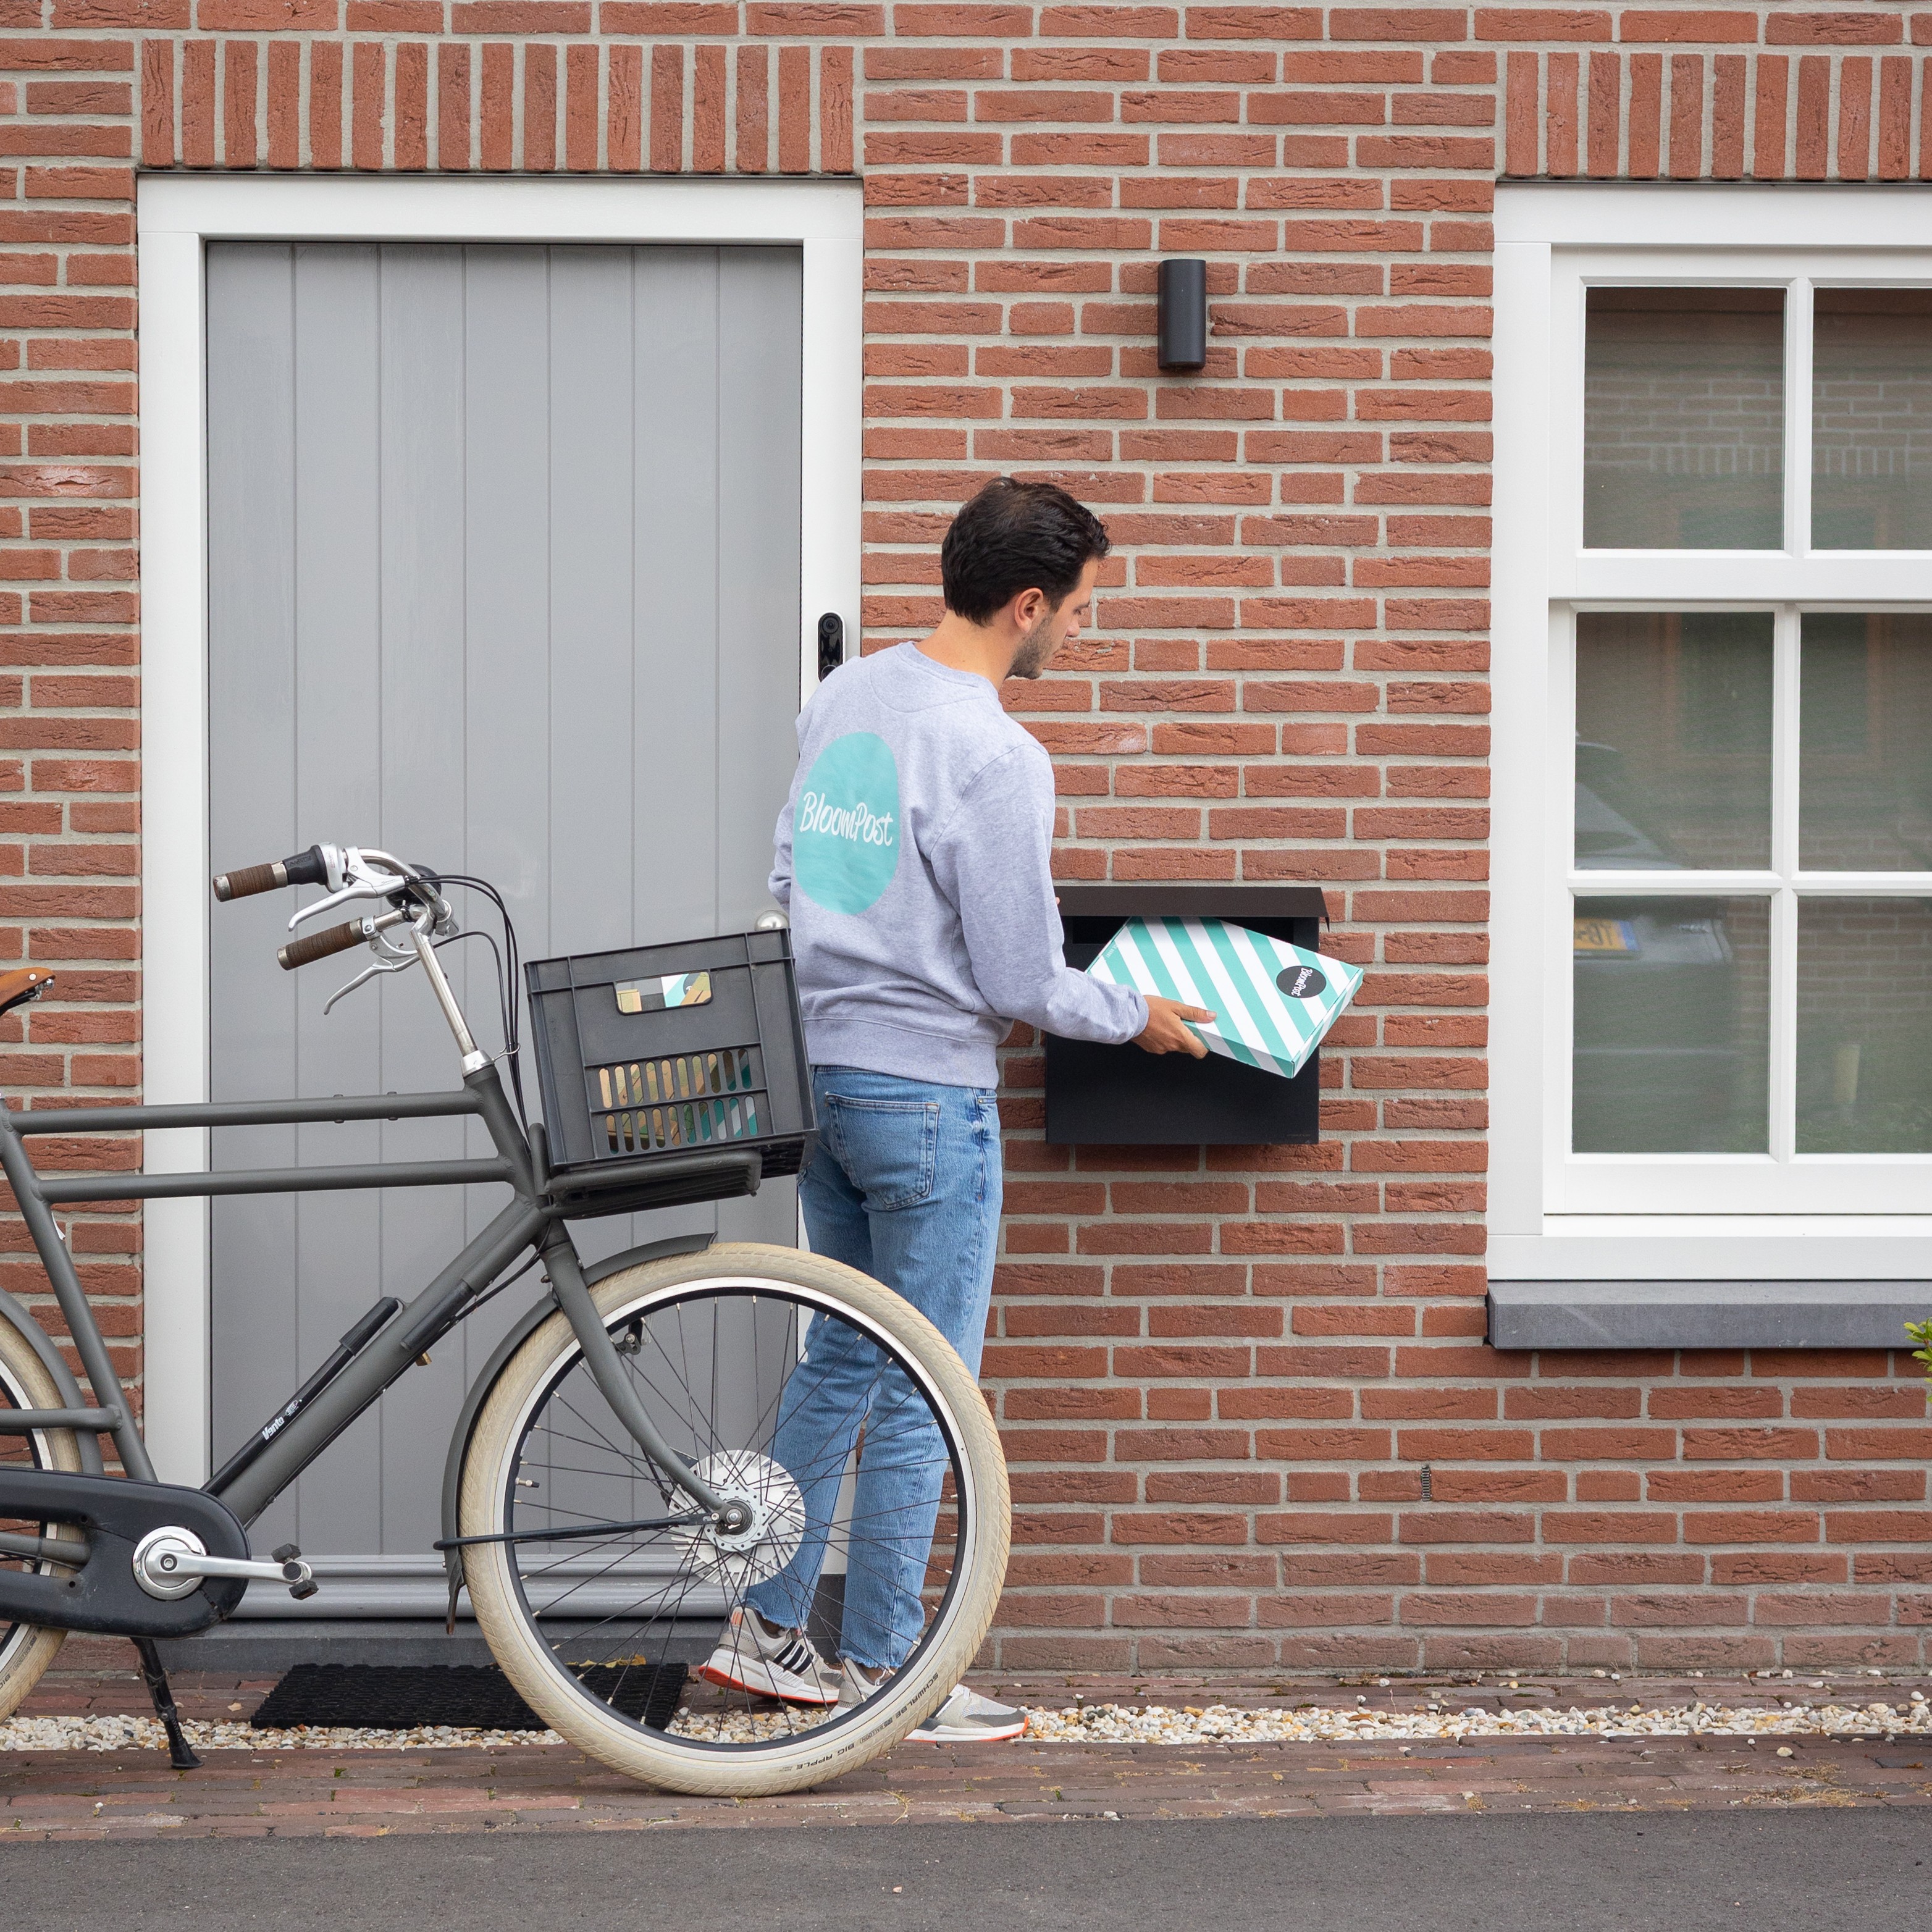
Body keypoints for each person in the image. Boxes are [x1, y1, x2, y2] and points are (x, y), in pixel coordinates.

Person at [699, 478, 1214, 1742]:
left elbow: (785, 874)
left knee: (842, 1361)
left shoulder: (847, 696)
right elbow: (1021, 979)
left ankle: (763, 1634)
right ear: (1026, 603)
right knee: (932, 1388)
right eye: (1080, 610)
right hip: (926, 1098)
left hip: (822, 1079)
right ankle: (890, 1676)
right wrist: (1136, 1014)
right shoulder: (994, 753)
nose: (1082, 634)